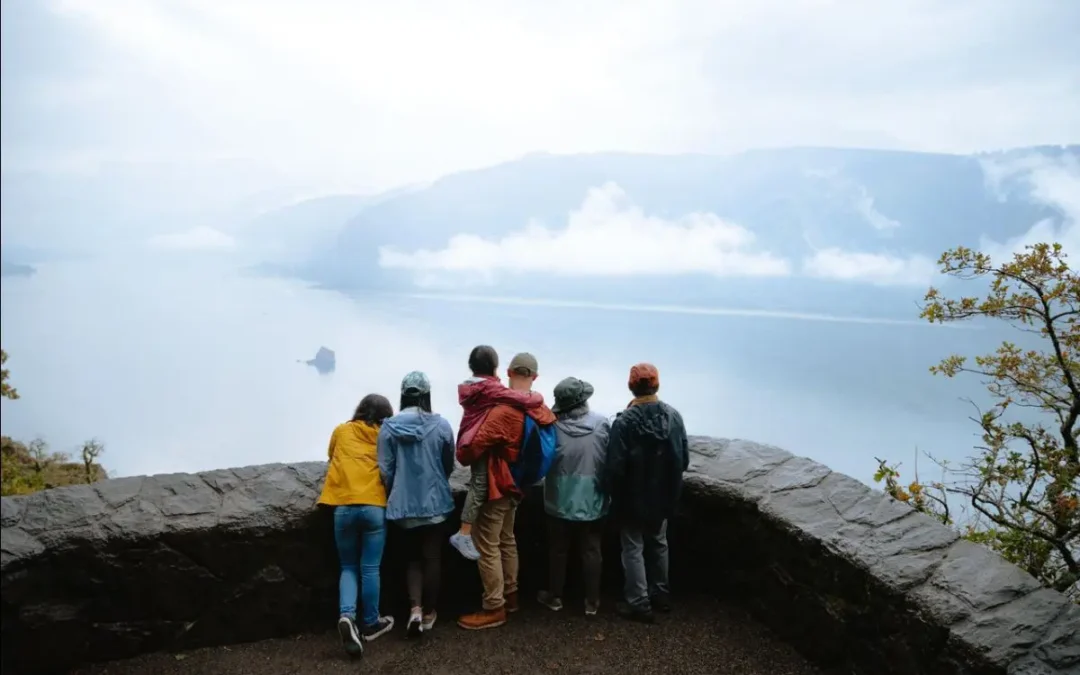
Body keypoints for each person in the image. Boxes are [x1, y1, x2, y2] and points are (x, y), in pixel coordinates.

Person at [456, 352, 556, 630]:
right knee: (506, 540)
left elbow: (470, 450)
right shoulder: (539, 408)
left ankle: (494, 607)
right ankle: (511, 596)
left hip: (497, 485)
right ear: (534, 377)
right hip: (518, 484)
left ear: (509, 372)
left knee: (487, 546)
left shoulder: (504, 411)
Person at [605, 363, 689, 624]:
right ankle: (661, 595)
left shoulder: (624, 422)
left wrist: (611, 492)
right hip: (663, 496)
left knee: (632, 547)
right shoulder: (673, 417)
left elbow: (615, 467)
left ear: (631, 386)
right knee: (659, 543)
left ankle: (639, 602)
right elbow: (683, 458)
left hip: (631, 498)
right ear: (657, 385)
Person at [317, 394, 397, 657]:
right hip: (374, 507)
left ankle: (346, 615)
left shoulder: (342, 430)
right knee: (370, 567)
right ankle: (371, 622)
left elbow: (331, 456)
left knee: (348, 566)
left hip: (343, 506)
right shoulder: (386, 436)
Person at [378, 371, 456, 638]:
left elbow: (386, 470)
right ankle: (430, 613)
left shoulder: (388, 427)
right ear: (426, 395)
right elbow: (449, 464)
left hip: (403, 505)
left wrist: (396, 493)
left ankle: (414, 608)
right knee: (432, 557)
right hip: (435, 503)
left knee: (411, 559)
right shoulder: (442, 425)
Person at [450, 345, 545, 562]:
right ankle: (464, 533)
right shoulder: (491, 389)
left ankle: (465, 532)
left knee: (478, 484)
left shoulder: (472, 388)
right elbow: (525, 400)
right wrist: (537, 397)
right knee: (480, 484)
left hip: (470, 435)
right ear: (496, 369)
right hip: (481, 444)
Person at [536, 377, 611, 616]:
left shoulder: (551, 427)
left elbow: (541, 462)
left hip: (558, 498)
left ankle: (555, 597)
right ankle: (592, 602)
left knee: (558, 549)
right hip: (593, 498)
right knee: (591, 549)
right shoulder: (602, 424)